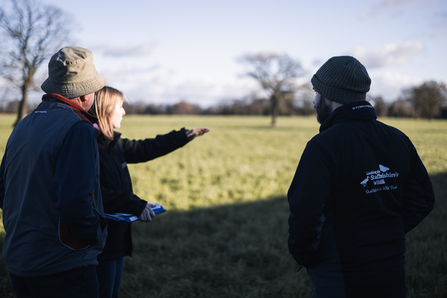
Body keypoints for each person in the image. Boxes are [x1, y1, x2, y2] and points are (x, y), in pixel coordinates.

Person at [287, 56, 435, 298]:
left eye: (316, 92)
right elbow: (423, 198)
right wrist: (388, 232)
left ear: (329, 95)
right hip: (392, 269)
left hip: (339, 275)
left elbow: (304, 213)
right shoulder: (398, 139)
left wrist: (307, 256)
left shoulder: (322, 147)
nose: (314, 101)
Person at [0, 46, 108, 297]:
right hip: (62, 265)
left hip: (20, 259)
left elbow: (2, 188)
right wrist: (94, 233)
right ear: (83, 95)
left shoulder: (25, 123)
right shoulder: (77, 128)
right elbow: (75, 200)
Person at [89, 86, 209, 298]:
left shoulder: (112, 143)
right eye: (120, 106)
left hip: (116, 236)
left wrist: (183, 136)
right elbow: (94, 192)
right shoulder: (89, 145)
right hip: (98, 240)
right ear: (106, 109)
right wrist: (134, 204)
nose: (124, 111)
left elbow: (145, 148)